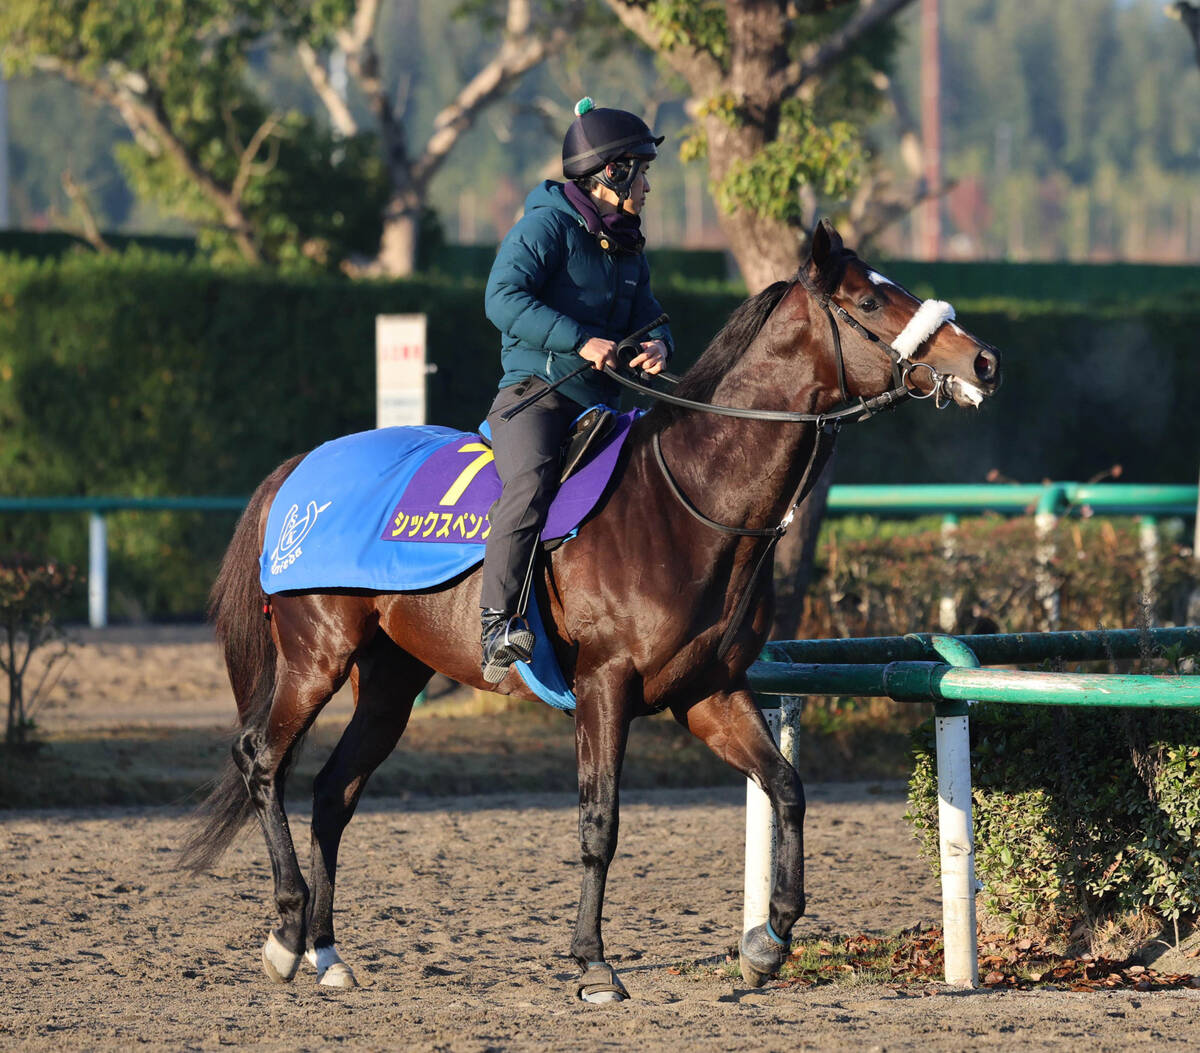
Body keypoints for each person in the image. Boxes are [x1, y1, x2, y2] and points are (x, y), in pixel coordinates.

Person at [478, 97, 675, 684]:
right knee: (530, 483)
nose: (647, 186)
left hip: (603, 406)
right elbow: (501, 299)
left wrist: (659, 344)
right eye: (641, 172)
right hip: (535, 396)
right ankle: (497, 624)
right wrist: (580, 340)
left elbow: (649, 314)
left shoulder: (627, 243)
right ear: (612, 173)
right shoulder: (545, 226)